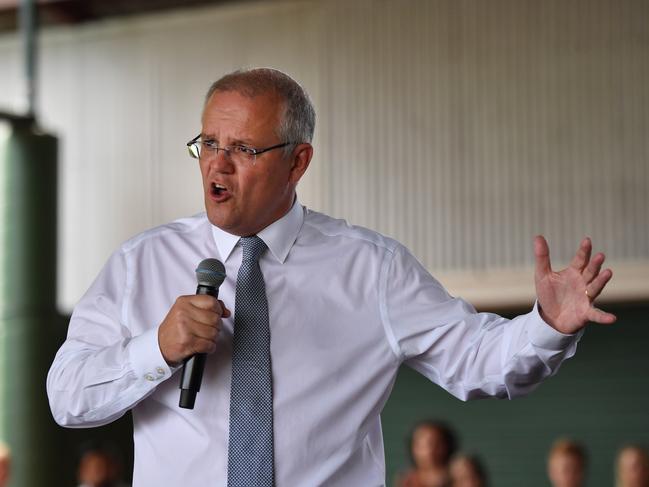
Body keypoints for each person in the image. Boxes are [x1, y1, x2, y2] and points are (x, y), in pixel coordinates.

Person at [47, 68, 616, 486]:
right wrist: (157, 348)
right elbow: (66, 397)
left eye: (243, 148)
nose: (217, 165)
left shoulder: (371, 270)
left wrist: (547, 324)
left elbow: (481, 361)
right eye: (209, 144)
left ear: (298, 162)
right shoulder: (139, 263)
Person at [396, 420, 457, 487]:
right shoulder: (407, 480)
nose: (429, 450)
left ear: (446, 446)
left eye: (436, 444)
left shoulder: (459, 476)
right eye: (421, 445)